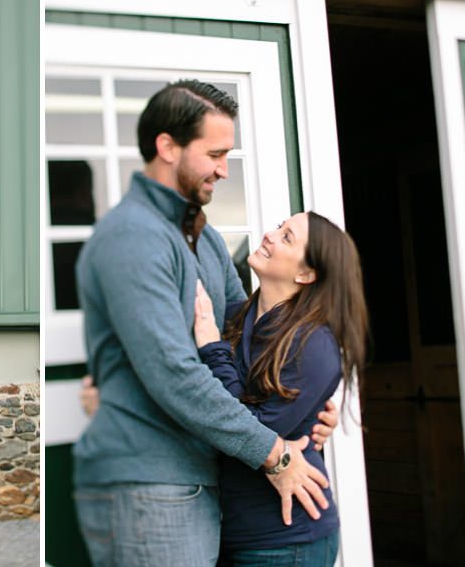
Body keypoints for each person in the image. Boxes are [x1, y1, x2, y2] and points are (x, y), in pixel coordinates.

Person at [73, 80, 336, 566]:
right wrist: (274, 453)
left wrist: (307, 402)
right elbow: (175, 373)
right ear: (167, 147)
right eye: (215, 154)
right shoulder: (134, 237)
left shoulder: (205, 238)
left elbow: (243, 339)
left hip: (201, 478)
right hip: (152, 485)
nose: (224, 170)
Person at [194, 212, 367, 566]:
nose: (270, 236)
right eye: (278, 227)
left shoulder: (314, 345)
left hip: (286, 542)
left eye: (286, 237)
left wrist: (212, 347)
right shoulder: (243, 317)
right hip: (236, 533)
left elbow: (248, 430)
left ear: (305, 274)